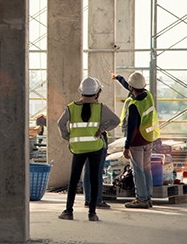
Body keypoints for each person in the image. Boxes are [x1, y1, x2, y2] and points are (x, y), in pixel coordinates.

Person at [57, 77, 120, 221]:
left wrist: (68, 136)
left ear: (81, 91)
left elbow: (60, 123)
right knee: (94, 177)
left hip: (78, 148)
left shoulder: (71, 107)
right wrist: (102, 129)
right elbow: (116, 120)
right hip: (95, 147)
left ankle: (68, 211)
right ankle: (92, 213)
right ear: (97, 92)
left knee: (73, 179)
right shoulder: (101, 108)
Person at [110, 71, 160, 209]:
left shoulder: (133, 105)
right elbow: (131, 86)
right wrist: (118, 78)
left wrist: (126, 147)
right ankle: (148, 197)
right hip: (148, 139)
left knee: (137, 170)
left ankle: (141, 199)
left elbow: (132, 128)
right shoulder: (148, 96)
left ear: (132, 88)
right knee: (146, 169)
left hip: (137, 142)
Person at [83, 129, 111, 209]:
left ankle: (88, 199)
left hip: (84, 140)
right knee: (97, 171)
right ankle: (97, 200)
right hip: (98, 138)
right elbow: (114, 120)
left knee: (88, 171)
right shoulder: (99, 116)